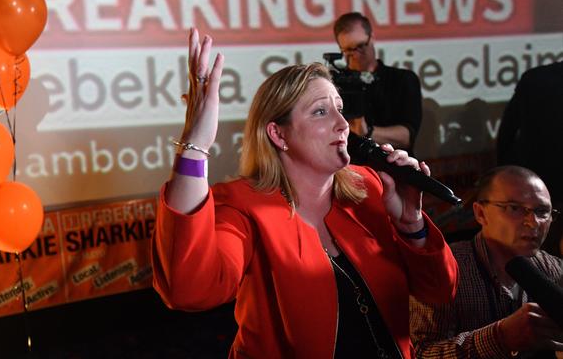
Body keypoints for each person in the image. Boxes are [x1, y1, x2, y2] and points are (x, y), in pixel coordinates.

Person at [152, 28, 458, 358]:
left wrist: (411, 223)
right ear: (278, 134)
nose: (343, 124)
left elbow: (441, 291)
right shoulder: (245, 204)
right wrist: (195, 146)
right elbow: (187, 290)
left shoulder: (370, 187)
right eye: (320, 111)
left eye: (340, 108)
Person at [410, 165, 563, 358]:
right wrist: (500, 337)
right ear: (480, 213)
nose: (533, 222)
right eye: (514, 208)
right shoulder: (443, 269)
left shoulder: (555, 270)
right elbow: (418, 353)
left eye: (542, 211)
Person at [497, 61, 563, 257]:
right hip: (539, 195)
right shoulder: (534, 79)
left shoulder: (534, 78)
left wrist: (506, 185)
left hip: (533, 195)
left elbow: (506, 135)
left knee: (535, 263)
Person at [332, 12, 422, 152]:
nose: (356, 54)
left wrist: (367, 131)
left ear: (372, 38)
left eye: (361, 46)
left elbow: (406, 138)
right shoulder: (334, 85)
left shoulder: (402, 80)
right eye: (349, 50)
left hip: (393, 164)